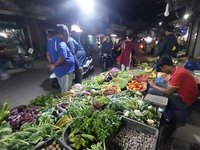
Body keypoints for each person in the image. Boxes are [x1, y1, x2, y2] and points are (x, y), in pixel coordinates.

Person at [46, 24, 75, 94]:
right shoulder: (61, 44)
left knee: (64, 87)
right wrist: (54, 65)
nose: (68, 37)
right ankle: (65, 104)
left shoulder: (50, 41)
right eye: (66, 34)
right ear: (60, 34)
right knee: (66, 91)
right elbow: (61, 59)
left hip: (60, 70)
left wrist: (52, 64)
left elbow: (48, 54)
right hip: (65, 71)